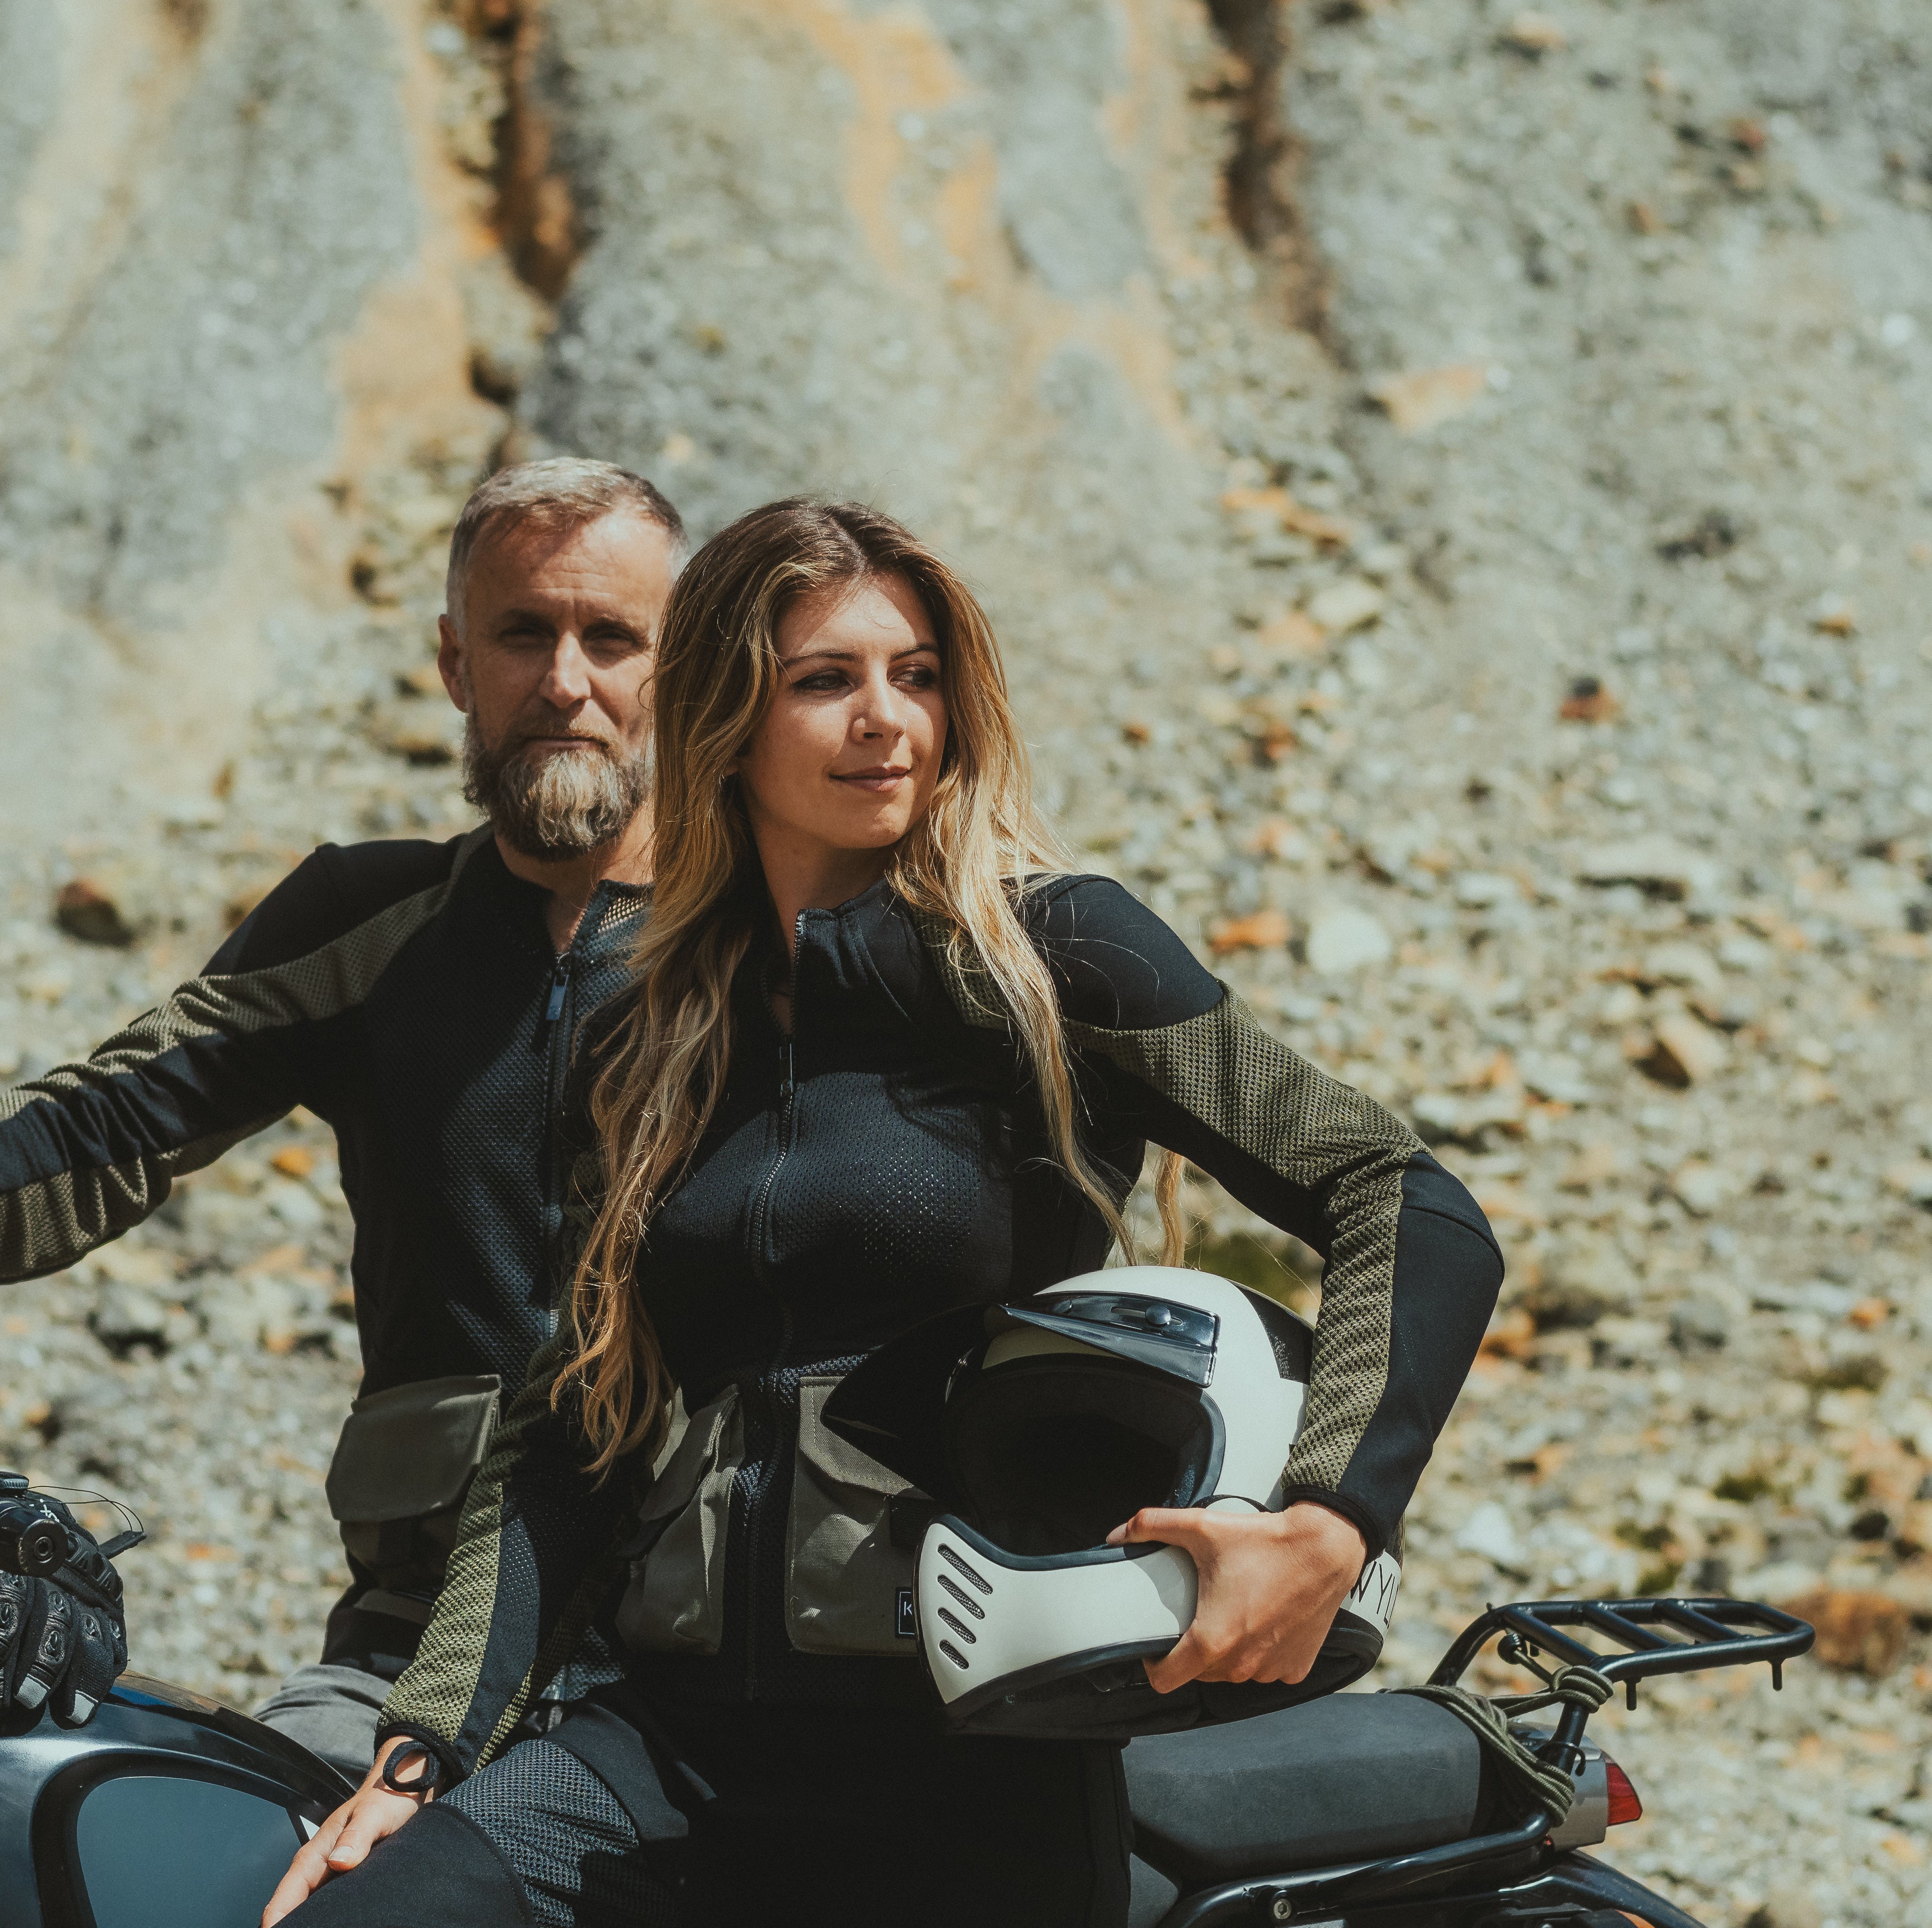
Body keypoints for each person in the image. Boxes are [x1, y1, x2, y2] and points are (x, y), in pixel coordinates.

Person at [261, 500, 1504, 1927]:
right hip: (667, 1743)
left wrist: (1334, 1516)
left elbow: (1399, 1192)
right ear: (729, 712)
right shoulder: (659, 1026)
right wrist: (424, 1750)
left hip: (973, 1773)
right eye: (826, 680)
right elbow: (571, 1437)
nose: (887, 721)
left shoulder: (1050, 957)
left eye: (917, 675)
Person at [0, 459, 687, 1783]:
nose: (565, 681)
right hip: (405, 1633)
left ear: (683, 669)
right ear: (452, 662)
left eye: (611, 638)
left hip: (694, 1643)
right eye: (521, 633)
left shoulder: (774, 945)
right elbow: (114, 1117)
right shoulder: (369, 927)